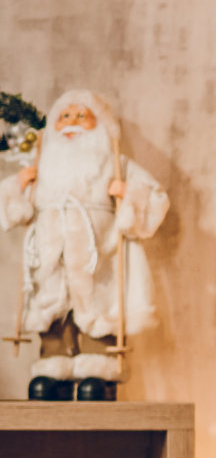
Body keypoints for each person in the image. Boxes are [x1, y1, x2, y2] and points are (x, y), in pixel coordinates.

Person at [0, 89, 169, 400]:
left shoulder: (114, 161)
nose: (72, 122)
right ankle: (53, 367)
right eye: (65, 116)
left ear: (101, 124)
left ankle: (99, 370)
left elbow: (155, 196)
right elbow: (13, 210)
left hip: (98, 254)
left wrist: (128, 193)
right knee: (53, 306)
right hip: (51, 254)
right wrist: (20, 185)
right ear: (53, 124)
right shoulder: (42, 163)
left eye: (82, 116)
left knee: (97, 304)